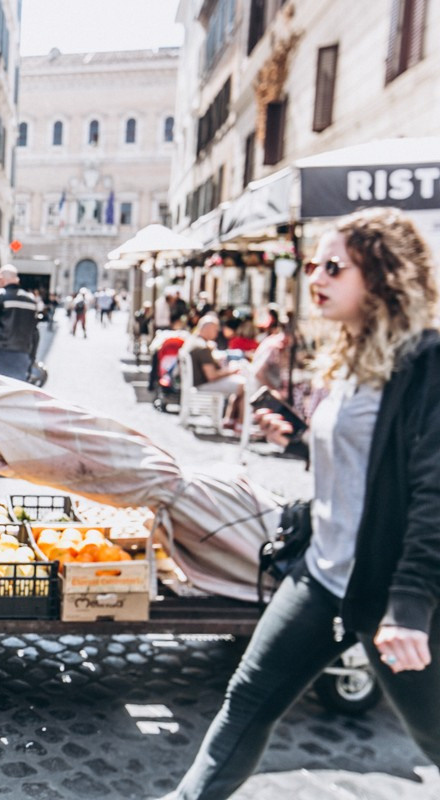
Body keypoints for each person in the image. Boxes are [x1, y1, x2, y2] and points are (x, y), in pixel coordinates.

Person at [160, 208, 440, 800]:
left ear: (385, 274)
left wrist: (411, 606)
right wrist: (302, 439)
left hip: (393, 592)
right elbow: (367, 461)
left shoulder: (426, 361)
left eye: (334, 266)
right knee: (247, 701)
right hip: (319, 576)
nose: (316, 276)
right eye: (313, 263)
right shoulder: (353, 353)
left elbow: (431, 490)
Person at [0, 265, 40, 380]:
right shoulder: (31, 301)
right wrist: (32, 357)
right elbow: (35, 333)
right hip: (22, 354)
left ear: (1, 279)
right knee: (14, 393)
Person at [186, 313, 246, 429]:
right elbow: (211, 376)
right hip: (203, 383)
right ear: (207, 329)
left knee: (240, 384)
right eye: (215, 329)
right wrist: (231, 371)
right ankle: (240, 423)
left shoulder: (195, 342)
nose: (217, 332)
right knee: (244, 386)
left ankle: (230, 419)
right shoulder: (202, 347)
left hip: (198, 381)